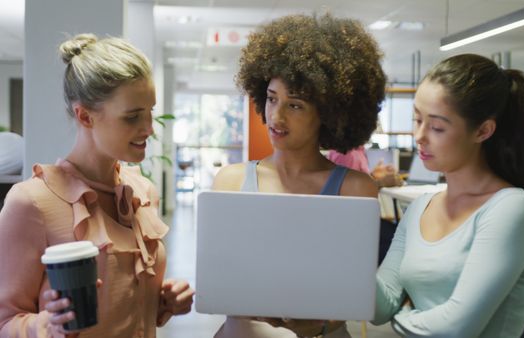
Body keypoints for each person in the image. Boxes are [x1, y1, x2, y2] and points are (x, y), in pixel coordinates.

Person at [0, 34, 194, 337]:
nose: (149, 129)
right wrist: (45, 326)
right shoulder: (32, 202)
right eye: (132, 117)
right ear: (85, 116)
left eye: (150, 112)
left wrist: (163, 302)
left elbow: (124, 310)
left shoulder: (143, 195)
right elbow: (5, 321)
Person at [212, 13, 386, 338]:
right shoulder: (230, 181)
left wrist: (319, 324)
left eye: (295, 105)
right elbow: (222, 279)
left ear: (329, 113)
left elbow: (353, 292)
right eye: (272, 98)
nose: (275, 116)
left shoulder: (356, 189)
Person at [373, 54, 524, 337]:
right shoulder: (420, 208)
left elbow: (456, 328)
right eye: (417, 119)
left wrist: (401, 316)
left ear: (483, 130)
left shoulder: (510, 209)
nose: (419, 135)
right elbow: (383, 304)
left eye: (437, 127)